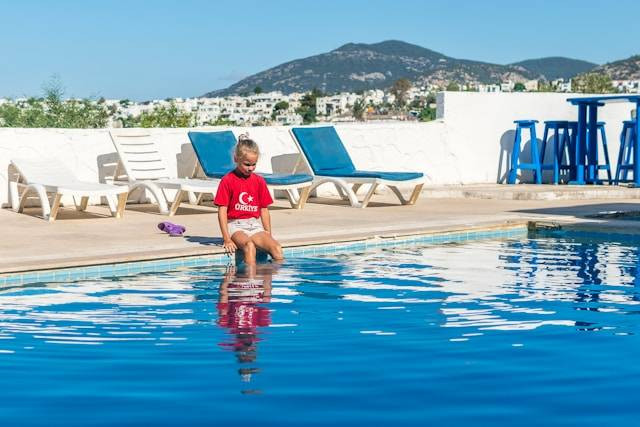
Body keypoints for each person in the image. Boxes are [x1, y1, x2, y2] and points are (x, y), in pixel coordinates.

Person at [214, 133, 284, 265]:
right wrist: (227, 238)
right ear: (236, 159)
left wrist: (268, 233)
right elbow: (222, 210)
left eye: (254, 164)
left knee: (276, 248)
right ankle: (249, 280)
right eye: (247, 164)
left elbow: (264, 209)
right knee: (249, 246)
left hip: (253, 225)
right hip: (235, 225)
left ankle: (269, 283)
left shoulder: (259, 181)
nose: (250, 168)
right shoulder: (227, 181)